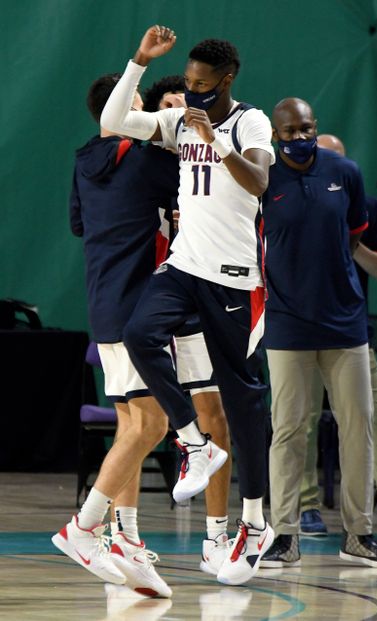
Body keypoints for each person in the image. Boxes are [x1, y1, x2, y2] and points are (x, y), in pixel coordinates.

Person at [101, 25, 275, 585]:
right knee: (139, 334)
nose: (194, 92)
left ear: (225, 81)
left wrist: (216, 139)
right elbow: (112, 123)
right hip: (184, 267)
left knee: (244, 407)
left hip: (234, 280)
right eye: (189, 84)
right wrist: (139, 63)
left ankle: (254, 521)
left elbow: (258, 183)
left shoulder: (249, 120)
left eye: (203, 84)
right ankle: (193, 443)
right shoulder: (177, 122)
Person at [52, 72, 230, 594]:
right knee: (148, 425)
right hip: (139, 304)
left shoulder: (84, 161)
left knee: (133, 421)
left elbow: (79, 225)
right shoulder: (148, 159)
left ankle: (125, 538)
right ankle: (84, 527)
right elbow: (205, 188)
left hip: (102, 300)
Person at [259, 98, 377, 569]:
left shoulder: (346, 172)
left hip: (345, 324)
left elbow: (355, 234)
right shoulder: (263, 178)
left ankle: (359, 534)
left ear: (315, 127)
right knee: (288, 430)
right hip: (286, 324)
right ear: (274, 134)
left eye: (305, 129)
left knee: (359, 425)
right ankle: (285, 534)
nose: (298, 138)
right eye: (288, 131)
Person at [143, 75, 233, 575]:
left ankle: (215, 537)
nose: (181, 112)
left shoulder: (216, 160)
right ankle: (122, 531)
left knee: (214, 414)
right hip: (153, 296)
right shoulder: (143, 166)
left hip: (201, 294)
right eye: (170, 106)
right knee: (139, 421)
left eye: (187, 104)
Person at [299, 134, 377, 538]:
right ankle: (304, 507)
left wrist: (351, 240)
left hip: (348, 328)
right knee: (299, 423)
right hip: (298, 328)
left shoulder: (369, 209)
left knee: (370, 417)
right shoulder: (292, 200)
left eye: (338, 162)